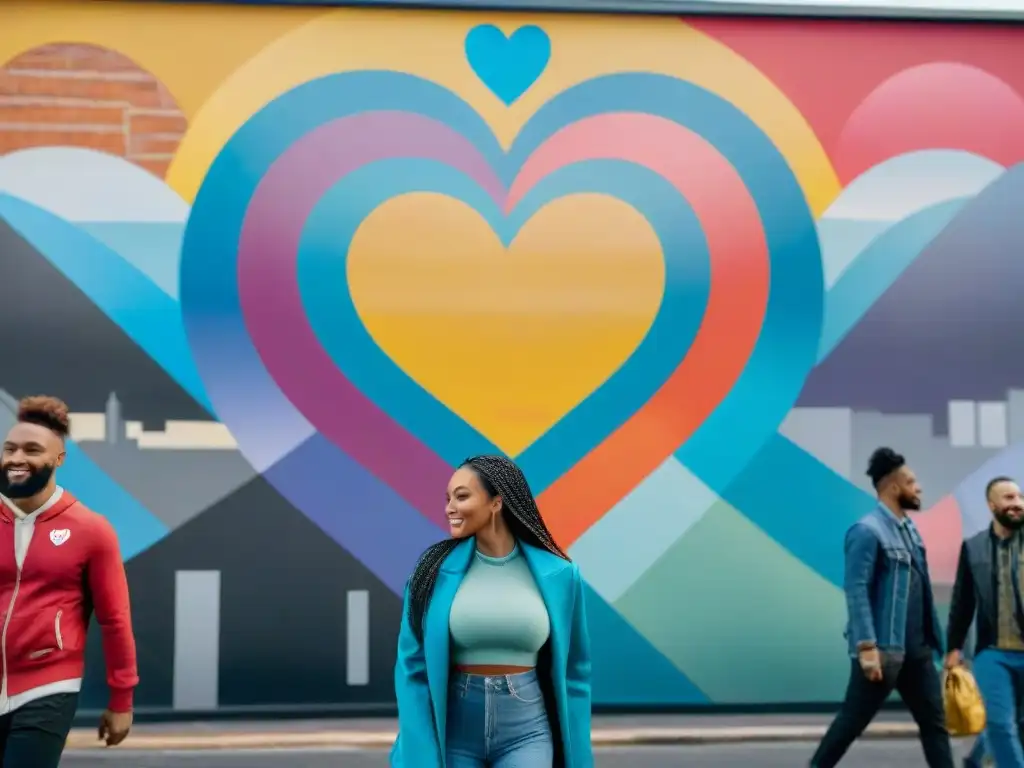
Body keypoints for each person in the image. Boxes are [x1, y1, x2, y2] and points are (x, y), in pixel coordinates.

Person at [391, 454, 593, 768]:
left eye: (462, 497)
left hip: (528, 729)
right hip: (454, 729)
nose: (449, 509)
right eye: (448, 499)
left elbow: (575, 673)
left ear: (496, 503)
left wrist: (579, 751)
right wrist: (420, 751)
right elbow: (411, 669)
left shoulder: (561, 576)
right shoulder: (430, 573)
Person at [0, 396, 137, 766]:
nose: (16, 458)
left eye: (32, 450)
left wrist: (121, 700)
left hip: (47, 686)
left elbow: (115, 620)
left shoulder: (91, 530)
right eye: (9, 448)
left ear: (58, 459)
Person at [811, 447, 954, 768]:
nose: (918, 488)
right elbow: (856, 589)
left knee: (935, 724)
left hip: (916, 653)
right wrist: (866, 647)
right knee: (851, 722)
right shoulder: (866, 531)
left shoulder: (910, 532)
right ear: (893, 487)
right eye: (912, 481)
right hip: (884, 651)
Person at [946, 476, 1024, 767]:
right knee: (1000, 724)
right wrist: (953, 647)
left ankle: (976, 760)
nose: (1017, 503)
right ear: (992, 505)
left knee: (1018, 724)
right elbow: (962, 601)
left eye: (1019, 497)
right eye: (1008, 498)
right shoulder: (974, 547)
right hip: (993, 652)